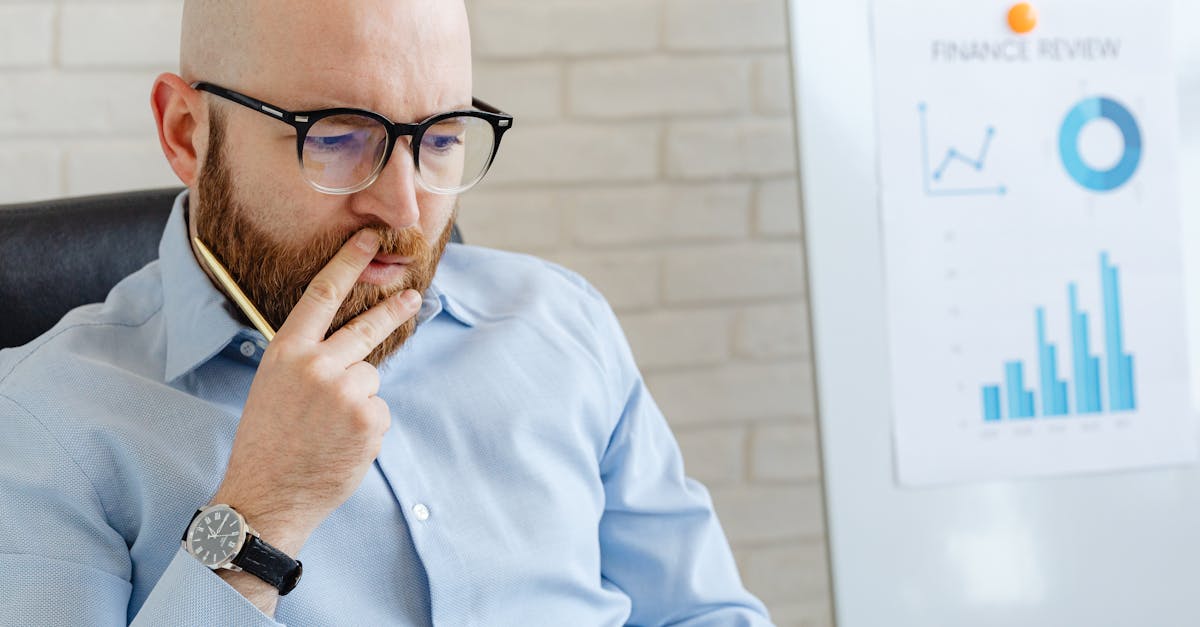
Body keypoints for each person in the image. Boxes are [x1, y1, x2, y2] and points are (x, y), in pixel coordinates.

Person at [0, 0, 772, 624]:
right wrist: (262, 510)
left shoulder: (562, 325)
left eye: (441, 138)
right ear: (185, 133)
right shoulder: (41, 422)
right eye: (337, 137)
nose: (405, 206)